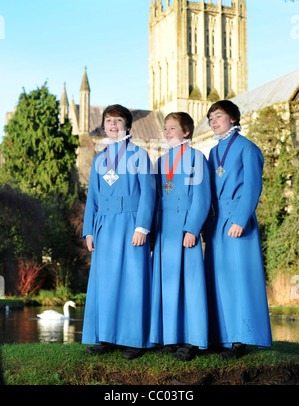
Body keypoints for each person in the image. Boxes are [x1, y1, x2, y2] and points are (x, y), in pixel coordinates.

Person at [82, 104, 156, 360]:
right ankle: (105, 338)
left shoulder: (139, 154)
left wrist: (142, 227)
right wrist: (89, 231)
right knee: (106, 283)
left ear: (127, 125)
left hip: (131, 225)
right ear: (104, 126)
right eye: (108, 121)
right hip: (104, 227)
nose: (112, 125)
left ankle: (134, 340)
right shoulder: (99, 159)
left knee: (132, 282)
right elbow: (92, 196)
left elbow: (148, 192)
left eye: (118, 121)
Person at [204, 100, 272, 359]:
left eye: (218, 116)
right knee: (219, 279)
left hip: (237, 221)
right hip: (216, 221)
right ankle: (221, 336)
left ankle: (241, 340)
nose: (213, 122)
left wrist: (241, 219)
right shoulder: (212, 152)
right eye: (210, 118)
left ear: (232, 118)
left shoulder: (248, 148)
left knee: (240, 280)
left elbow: (253, 186)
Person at [150, 112, 211, 361]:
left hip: (185, 228)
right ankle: (170, 337)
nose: (167, 132)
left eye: (172, 128)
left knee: (190, 285)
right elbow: (154, 200)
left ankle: (192, 340)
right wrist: (153, 231)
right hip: (164, 229)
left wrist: (192, 228)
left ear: (186, 131)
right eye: (165, 128)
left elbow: (202, 197)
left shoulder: (197, 158)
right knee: (166, 285)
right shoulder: (160, 161)